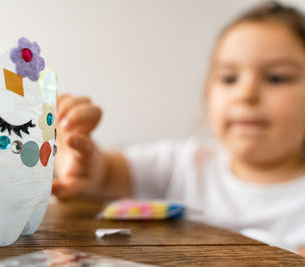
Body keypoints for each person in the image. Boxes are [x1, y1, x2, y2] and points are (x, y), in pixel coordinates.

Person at [52, 1, 305, 255]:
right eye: (229, 78)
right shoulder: (184, 164)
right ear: (207, 94)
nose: (246, 94)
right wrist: (82, 160)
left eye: (277, 77)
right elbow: (104, 174)